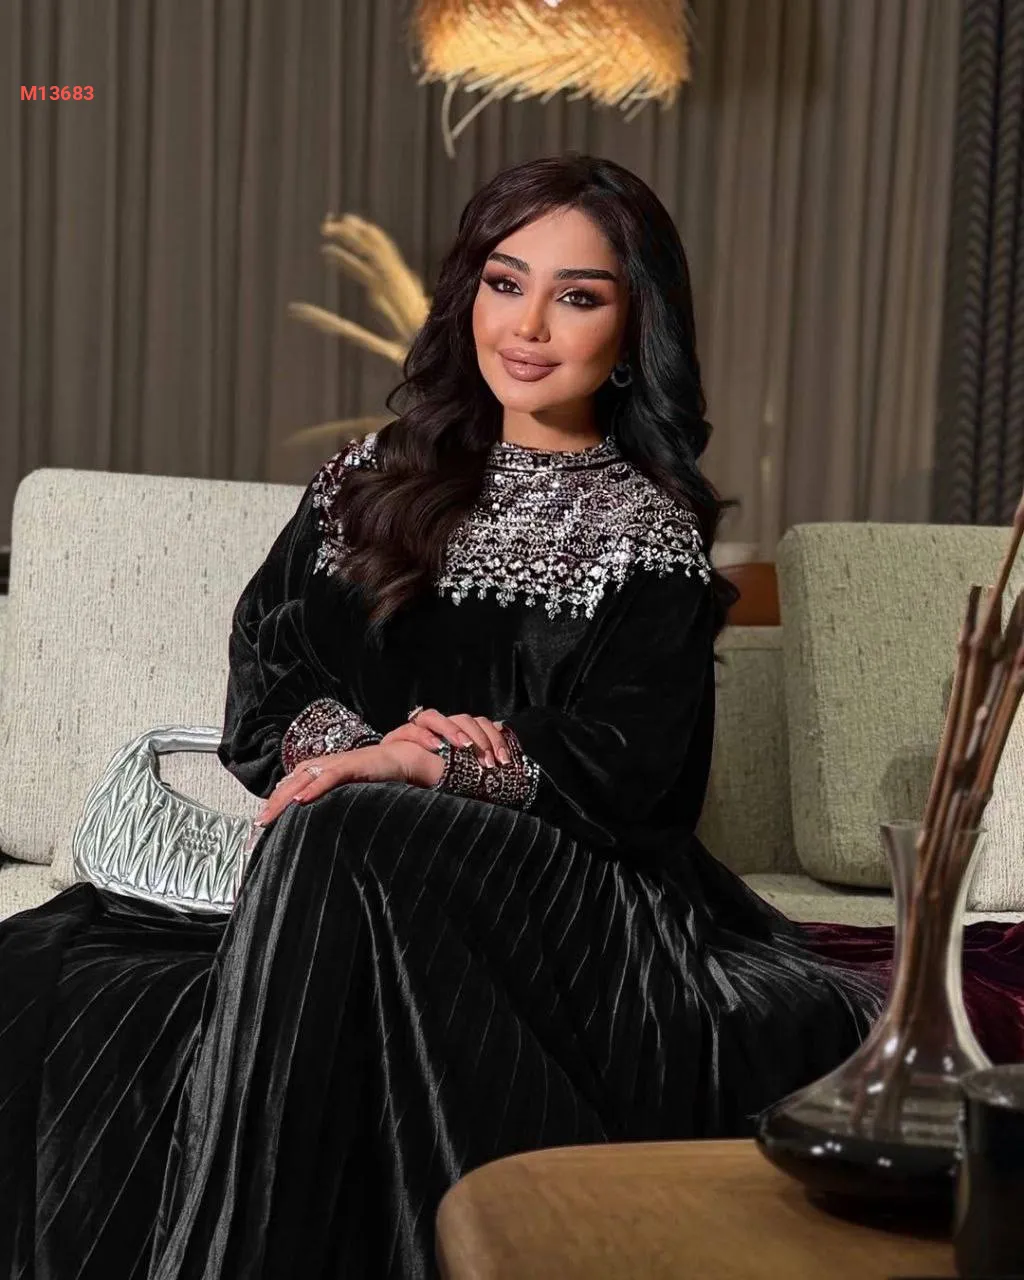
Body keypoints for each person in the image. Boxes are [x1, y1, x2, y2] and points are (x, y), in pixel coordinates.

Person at [1, 152, 1022, 1280]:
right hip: (338, 870)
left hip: (568, 901)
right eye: (505, 282)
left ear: (632, 332)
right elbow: (266, 677)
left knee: (351, 824)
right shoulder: (364, 482)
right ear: (468, 294)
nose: (528, 326)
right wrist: (364, 753)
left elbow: (639, 771)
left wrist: (432, 767)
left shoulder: (646, 529)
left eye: (577, 296)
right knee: (60, 973)